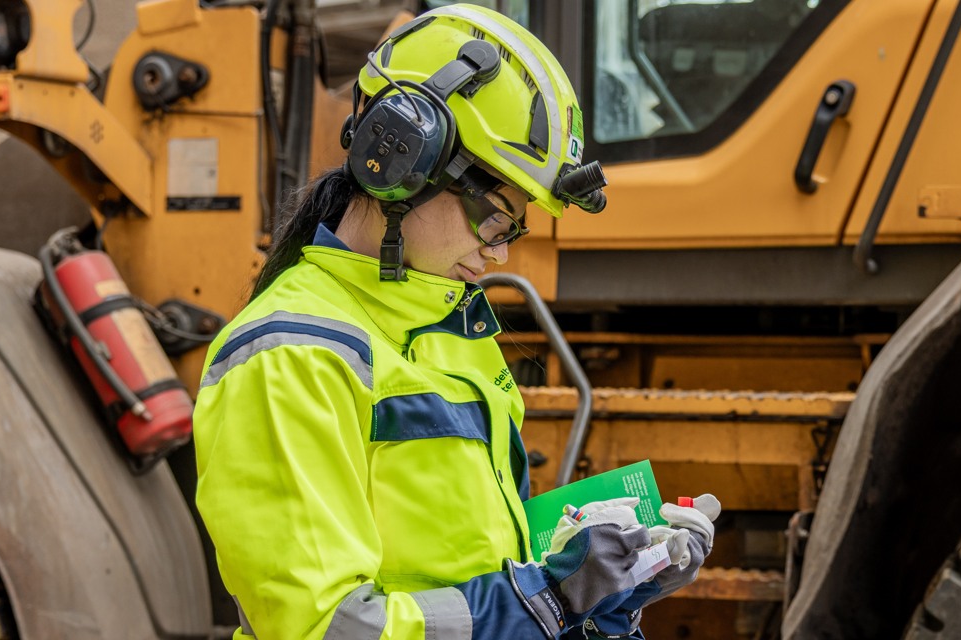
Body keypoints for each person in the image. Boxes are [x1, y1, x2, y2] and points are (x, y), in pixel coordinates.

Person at [191, 5, 719, 639]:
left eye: (515, 228)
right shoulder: (291, 356)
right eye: (494, 216)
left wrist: (605, 592)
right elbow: (327, 626)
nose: (501, 252)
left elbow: (485, 565)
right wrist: (546, 599)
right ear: (402, 159)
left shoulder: (457, 334)